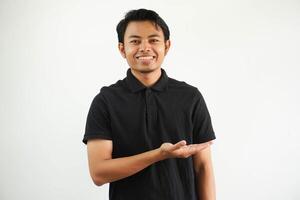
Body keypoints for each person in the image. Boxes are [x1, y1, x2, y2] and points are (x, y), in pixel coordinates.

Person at [82, 8, 216, 200]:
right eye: (135, 41)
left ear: (167, 46)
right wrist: (158, 155)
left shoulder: (190, 97)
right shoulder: (105, 101)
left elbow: (203, 167)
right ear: (122, 48)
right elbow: (98, 173)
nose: (145, 48)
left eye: (153, 40)